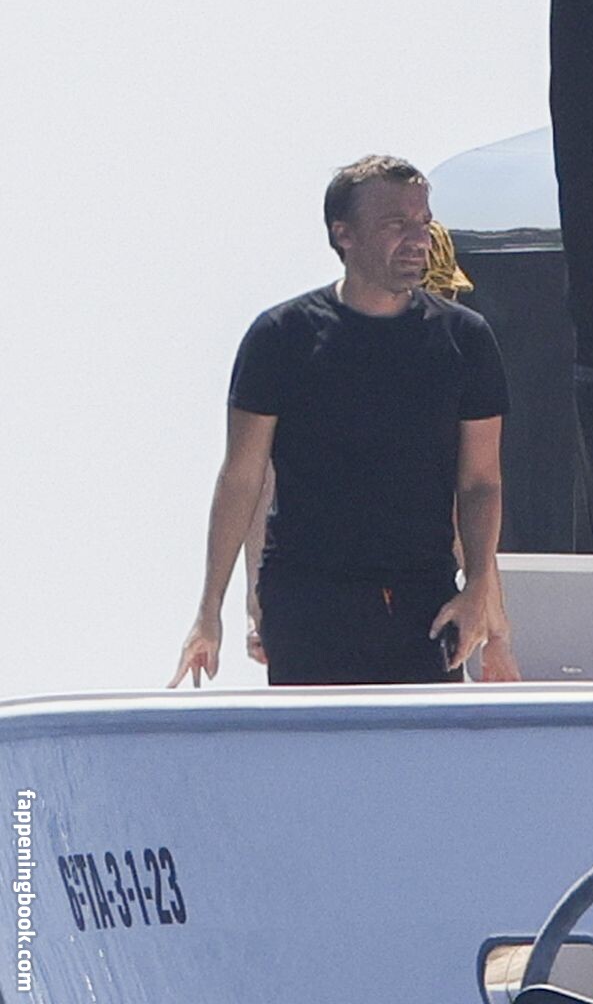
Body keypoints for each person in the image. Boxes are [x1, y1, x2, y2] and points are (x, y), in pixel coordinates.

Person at [170, 157, 516, 687]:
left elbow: (480, 483)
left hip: (422, 598)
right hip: (306, 599)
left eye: (423, 223)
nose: (417, 240)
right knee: (314, 742)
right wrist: (209, 611)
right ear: (343, 234)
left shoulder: (465, 339)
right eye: (396, 224)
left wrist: (478, 593)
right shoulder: (280, 337)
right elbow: (243, 478)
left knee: (421, 741)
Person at [236, 221, 513, 676]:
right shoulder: (310, 345)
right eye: (438, 288)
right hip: (331, 599)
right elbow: (258, 486)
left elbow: (469, 506)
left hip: (394, 598)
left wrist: (492, 621)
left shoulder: (451, 350)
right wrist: (496, 628)